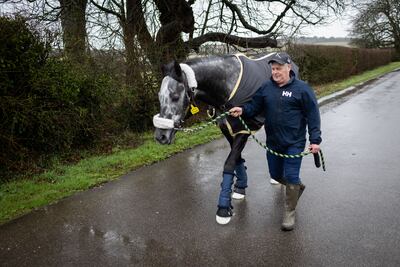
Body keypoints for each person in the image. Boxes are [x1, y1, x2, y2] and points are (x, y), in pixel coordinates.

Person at [229, 52, 322, 231]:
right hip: (273, 142)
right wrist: (242, 110)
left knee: (292, 175)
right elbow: (254, 107)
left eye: (279, 68)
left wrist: (315, 140)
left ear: (289, 68)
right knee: (277, 175)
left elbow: (313, 116)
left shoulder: (302, 89)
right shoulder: (266, 88)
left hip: (294, 142)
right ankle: (296, 188)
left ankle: (289, 213)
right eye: (273, 69)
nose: (275, 72)